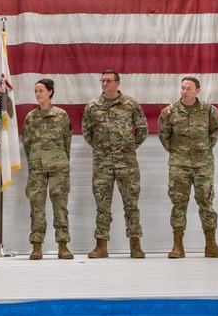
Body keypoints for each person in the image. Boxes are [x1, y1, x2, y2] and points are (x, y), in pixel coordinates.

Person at [157, 76, 218, 259]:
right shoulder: (170, 112)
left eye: (188, 88)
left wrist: (202, 151)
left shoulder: (209, 111)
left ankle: (211, 245)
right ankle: (177, 246)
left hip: (203, 165)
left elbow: (214, 133)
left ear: (197, 90)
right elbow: (164, 136)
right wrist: (177, 152)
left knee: (206, 203)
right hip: (179, 165)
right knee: (178, 204)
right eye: (182, 88)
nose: (184, 91)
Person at [81, 69, 148, 259]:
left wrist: (128, 146)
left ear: (118, 83)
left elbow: (142, 128)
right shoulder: (93, 106)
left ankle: (135, 245)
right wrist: (101, 148)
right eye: (102, 81)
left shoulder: (130, 104)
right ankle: (101, 246)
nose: (104, 84)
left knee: (131, 204)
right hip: (103, 163)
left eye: (108, 81)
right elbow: (87, 131)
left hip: (127, 163)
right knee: (102, 205)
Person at [21, 78, 74, 260]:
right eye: (35, 91)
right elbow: (26, 143)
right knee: (36, 206)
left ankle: (63, 245)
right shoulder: (30, 117)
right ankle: (37, 246)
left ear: (50, 92)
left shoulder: (61, 115)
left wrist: (62, 160)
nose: (37, 95)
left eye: (41, 91)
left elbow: (67, 140)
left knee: (60, 205)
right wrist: (35, 160)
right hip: (37, 167)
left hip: (58, 167)